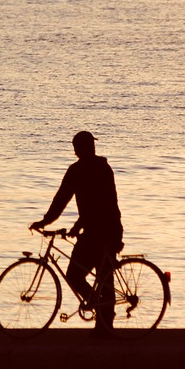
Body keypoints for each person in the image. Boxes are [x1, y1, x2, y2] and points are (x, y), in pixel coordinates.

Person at [28, 131, 124, 332]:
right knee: (100, 277)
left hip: (101, 230)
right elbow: (78, 201)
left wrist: (47, 221)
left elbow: (94, 203)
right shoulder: (100, 168)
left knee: (84, 276)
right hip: (105, 228)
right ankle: (103, 318)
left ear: (77, 149)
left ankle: (103, 318)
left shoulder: (83, 170)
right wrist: (74, 224)